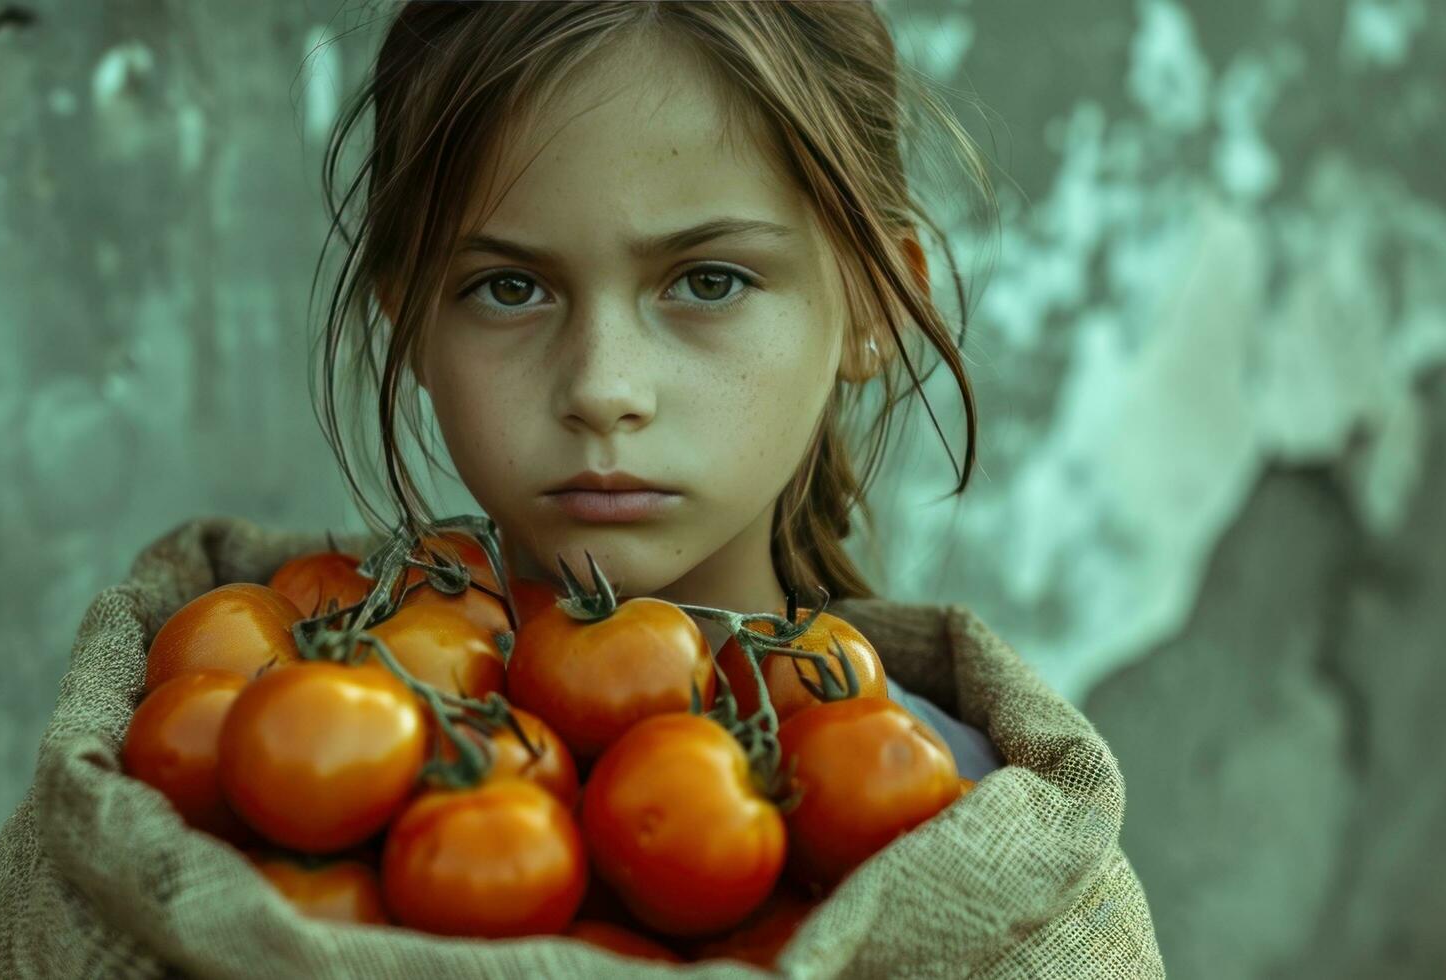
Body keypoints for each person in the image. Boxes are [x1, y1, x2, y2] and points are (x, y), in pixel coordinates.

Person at [316, 0, 1006, 780]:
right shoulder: (293, 752)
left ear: (872, 307)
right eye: (508, 288)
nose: (603, 389)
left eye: (709, 282)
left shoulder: (968, 816)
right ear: (406, 317)